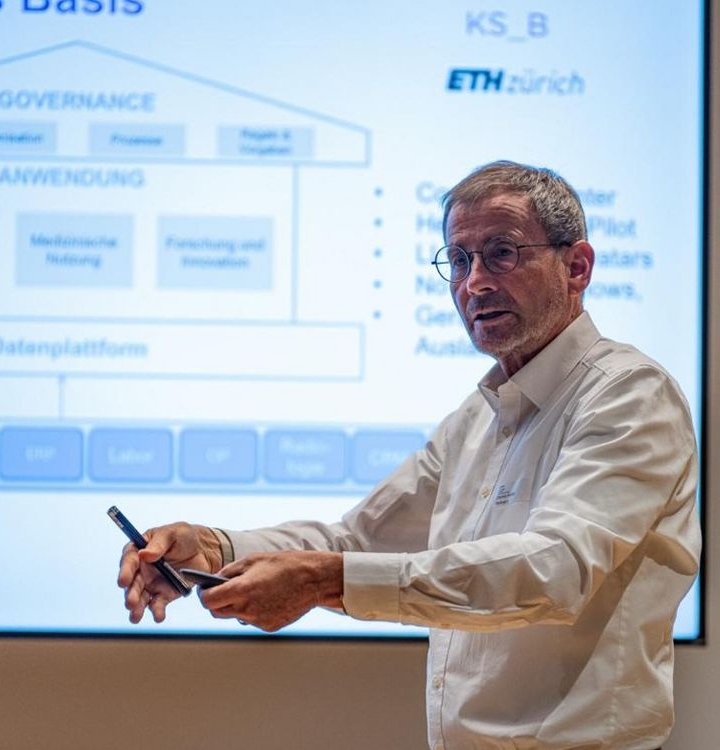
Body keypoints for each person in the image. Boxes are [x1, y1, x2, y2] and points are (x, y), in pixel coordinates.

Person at [117, 160, 701, 750]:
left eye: (502, 253)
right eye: (460, 260)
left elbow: (553, 571)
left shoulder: (629, 394)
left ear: (576, 267)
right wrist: (216, 549)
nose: (475, 283)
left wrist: (323, 582)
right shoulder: (479, 417)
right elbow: (357, 541)